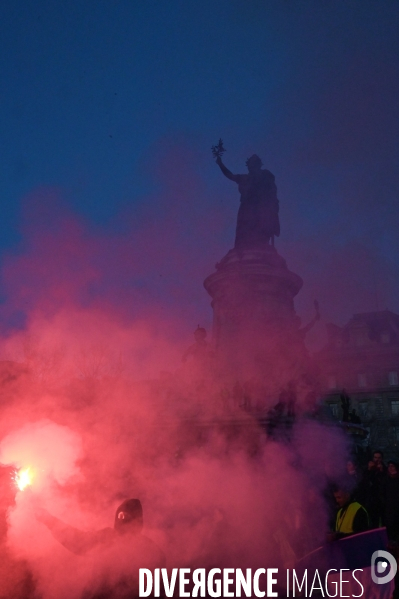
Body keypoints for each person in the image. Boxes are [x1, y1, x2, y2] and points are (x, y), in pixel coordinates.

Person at [36, 499, 165, 598]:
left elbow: (157, 589)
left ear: (138, 520)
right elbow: (77, 541)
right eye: (121, 516)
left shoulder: (151, 552)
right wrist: (49, 520)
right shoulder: (107, 538)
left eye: (129, 517)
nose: (124, 520)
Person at [215, 153, 280, 249]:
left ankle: (261, 246)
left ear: (258, 165)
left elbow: (272, 191)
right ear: (249, 166)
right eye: (251, 164)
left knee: (261, 229)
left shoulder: (266, 175)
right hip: (247, 208)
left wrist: (272, 205)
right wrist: (220, 164)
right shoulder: (244, 178)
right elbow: (230, 175)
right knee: (245, 229)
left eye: (255, 163)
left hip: (261, 207)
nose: (252, 166)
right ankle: (245, 248)